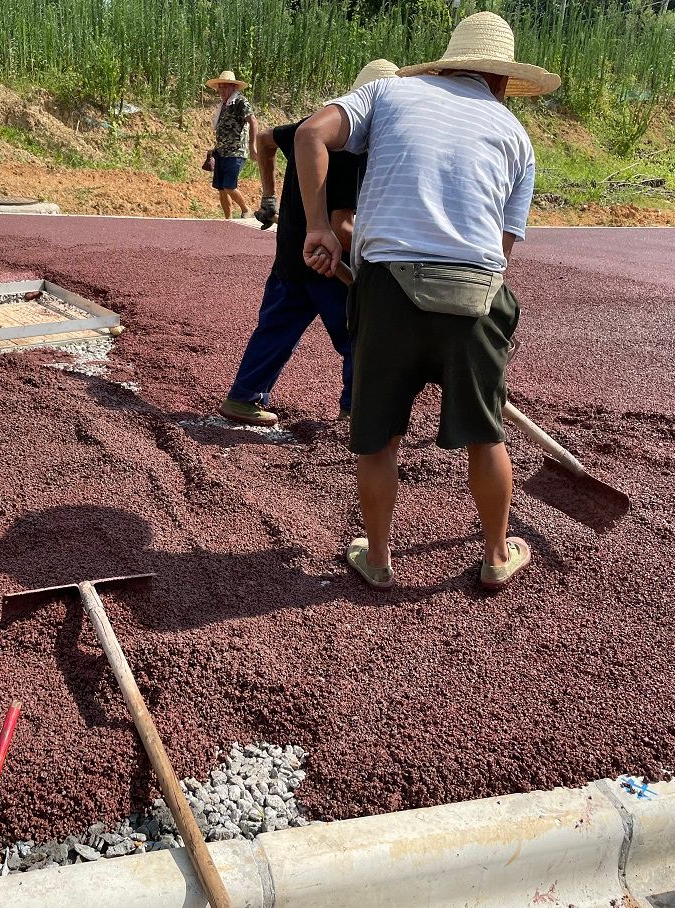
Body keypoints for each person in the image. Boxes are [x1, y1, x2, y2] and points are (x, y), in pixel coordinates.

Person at [294, 12, 561, 592]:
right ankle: (495, 554)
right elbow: (502, 249)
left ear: (445, 61)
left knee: (379, 436)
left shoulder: (389, 93)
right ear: (502, 80)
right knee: (486, 433)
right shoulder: (516, 135)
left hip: (388, 290)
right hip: (477, 297)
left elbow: (310, 132)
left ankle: (380, 559)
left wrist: (318, 229)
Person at [219, 60, 398, 428]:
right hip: (328, 264)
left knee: (275, 329)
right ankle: (356, 410)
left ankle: (243, 397)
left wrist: (269, 195)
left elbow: (265, 140)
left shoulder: (311, 126)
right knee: (357, 337)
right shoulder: (353, 148)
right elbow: (341, 226)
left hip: (290, 253)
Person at [205, 70, 258, 219]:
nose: (221, 90)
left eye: (225, 87)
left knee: (229, 186)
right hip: (221, 152)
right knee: (221, 189)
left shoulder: (240, 102)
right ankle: (228, 219)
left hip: (236, 152)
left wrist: (253, 146)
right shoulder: (224, 105)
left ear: (232, 87)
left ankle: (246, 209)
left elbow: (253, 121)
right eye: (219, 87)